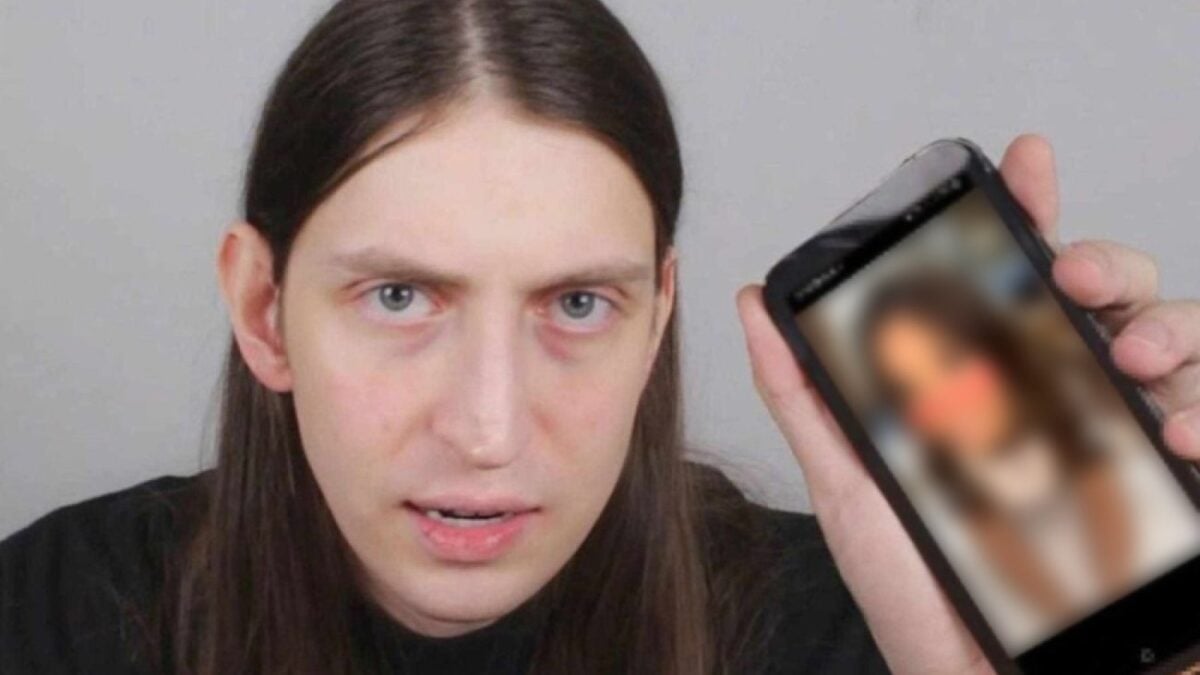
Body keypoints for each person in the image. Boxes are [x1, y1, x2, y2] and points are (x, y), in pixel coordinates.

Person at [2, 1, 1198, 673]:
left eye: (578, 305)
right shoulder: (48, 620)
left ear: (658, 316)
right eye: (400, 298)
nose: (487, 431)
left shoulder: (858, 633)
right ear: (264, 311)